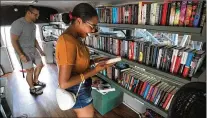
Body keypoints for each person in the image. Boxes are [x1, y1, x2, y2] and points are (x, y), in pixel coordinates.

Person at [55, 3, 114, 118]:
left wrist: (95, 62)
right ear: (79, 21)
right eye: (92, 26)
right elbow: (64, 83)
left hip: (82, 86)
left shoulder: (76, 38)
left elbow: (77, 63)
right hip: (78, 90)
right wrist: (95, 71)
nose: (92, 31)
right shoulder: (67, 42)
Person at [10, 5, 46, 95]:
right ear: (29, 13)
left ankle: (36, 81)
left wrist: (40, 50)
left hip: (33, 49)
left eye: (38, 15)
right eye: (36, 14)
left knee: (40, 65)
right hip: (23, 51)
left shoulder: (33, 25)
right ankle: (32, 88)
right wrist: (21, 55)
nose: (37, 17)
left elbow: (34, 39)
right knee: (30, 70)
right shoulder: (18, 23)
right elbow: (13, 40)